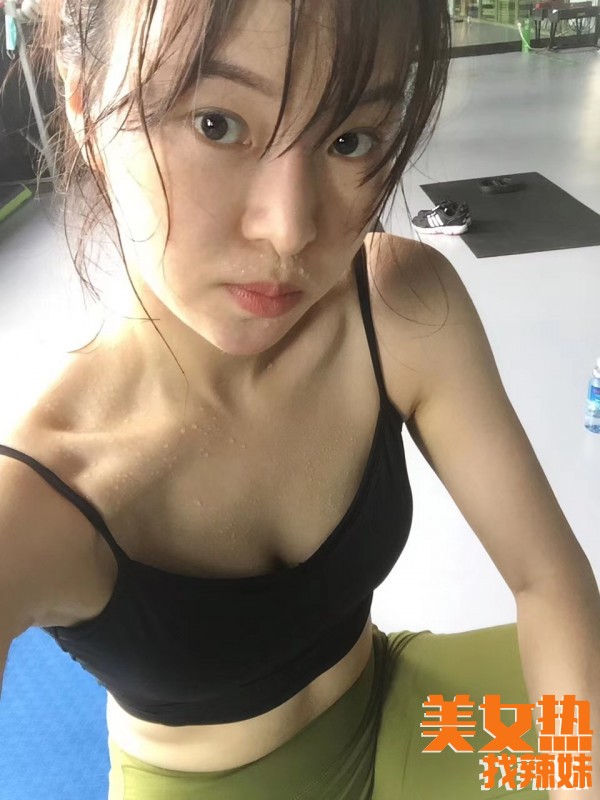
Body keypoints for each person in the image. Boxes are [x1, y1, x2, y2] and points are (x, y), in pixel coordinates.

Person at [0, 1, 598, 798]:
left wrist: (572, 777)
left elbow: (547, 581)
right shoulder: (36, 502)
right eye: (215, 124)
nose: (290, 230)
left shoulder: (396, 306)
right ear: (82, 105)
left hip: (408, 715)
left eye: (351, 139)